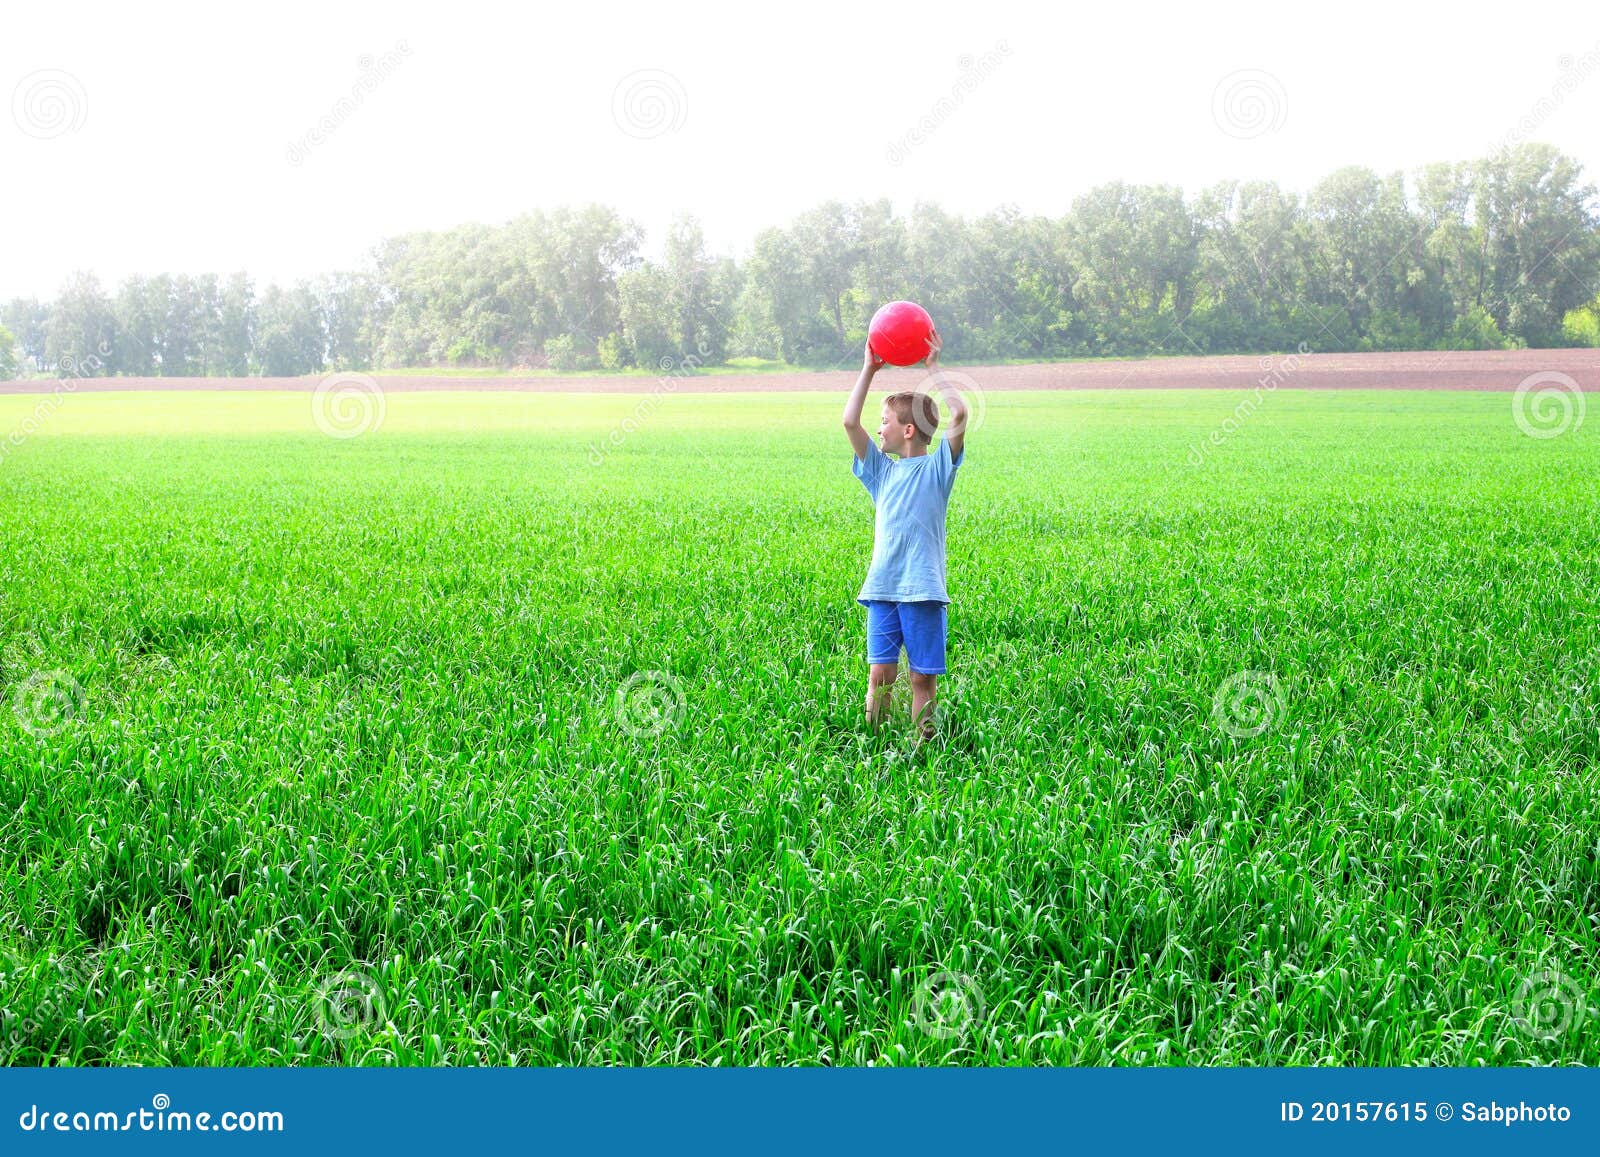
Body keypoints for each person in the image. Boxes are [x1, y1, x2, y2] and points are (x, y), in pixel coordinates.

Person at [840, 330, 968, 742]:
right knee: (880, 675)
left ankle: (923, 750)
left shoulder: (937, 470)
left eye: (886, 422)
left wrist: (933, 368)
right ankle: (874, 747)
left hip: (923, 591)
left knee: (921, 680)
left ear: (909, 430)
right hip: (882, 588)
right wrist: (868, 368)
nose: (879, 430)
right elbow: (849, 422)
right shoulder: (882, 472)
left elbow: (960, 415)